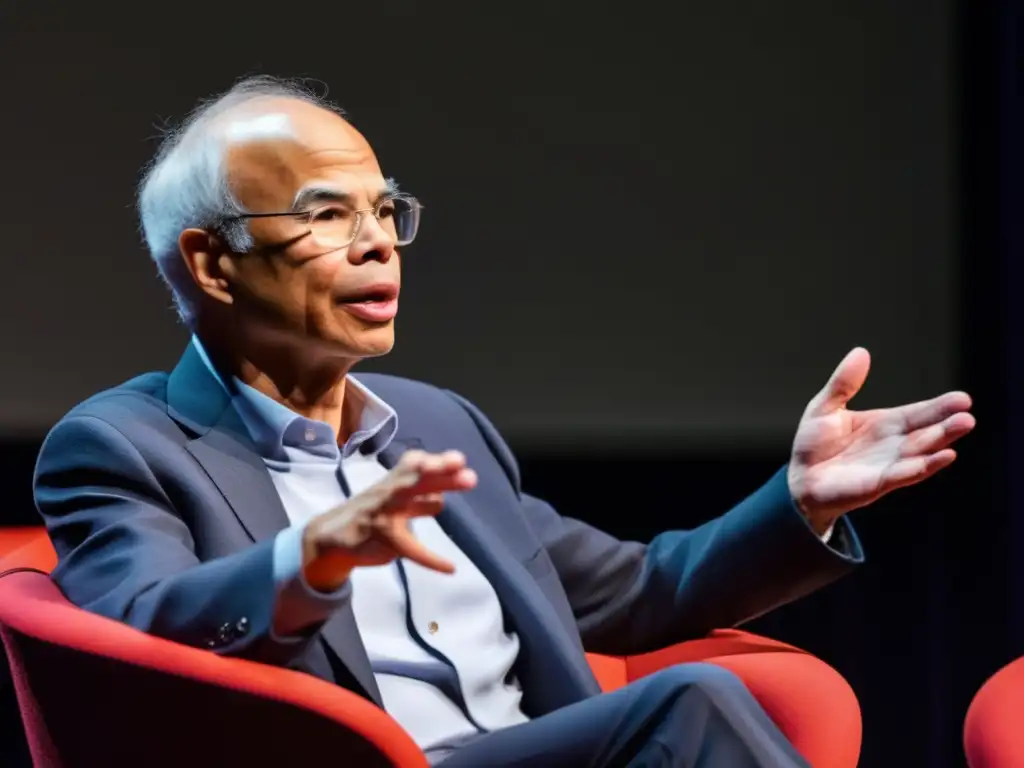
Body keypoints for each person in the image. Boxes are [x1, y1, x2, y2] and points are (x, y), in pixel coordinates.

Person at [33, 76, 975, 767]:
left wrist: (799, 502)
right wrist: (311, 559)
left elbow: (636, 592)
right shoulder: (123, 447)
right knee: (691, 702)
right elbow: (145, 637)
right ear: (211, 263)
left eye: (384, 210)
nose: (376, 242)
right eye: (326, 214)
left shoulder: (436, 425)